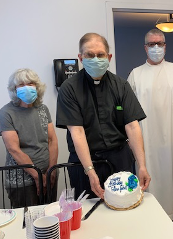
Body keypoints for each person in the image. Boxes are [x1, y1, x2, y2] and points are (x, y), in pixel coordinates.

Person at [56, 32, 151, 200]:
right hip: (84, 162)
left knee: (124, 206)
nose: (95, 59)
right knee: (89, 213)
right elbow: (77, 132)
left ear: (109, 57)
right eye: (89, 55)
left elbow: (132, 126)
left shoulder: (121, 85)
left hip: (119, 160)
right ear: (80, 57)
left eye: (100, 55)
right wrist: (90, 170)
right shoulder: (69, 88)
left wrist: (142, 165)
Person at [127, 29, 173, 225]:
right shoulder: (136, 75)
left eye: (160, 43)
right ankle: (151, 222)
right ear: (145, 47)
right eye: (152, 44)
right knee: (149, 180)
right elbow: (128, 113)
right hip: (147, 141)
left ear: (165, 46)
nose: (156, 47)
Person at [0, 68, 58, 207]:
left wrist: (52, 170)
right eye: (21, 85)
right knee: (27, 223)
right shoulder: (6, 112)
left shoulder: (43, 109)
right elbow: (14, 149)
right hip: (21, 181)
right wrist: (37, 176)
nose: (27, 87)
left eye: (30, 83)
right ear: (14, 89)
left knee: (50, 218)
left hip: (48, 175)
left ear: (37, 87)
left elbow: (52, 140)